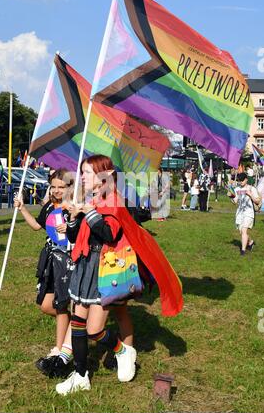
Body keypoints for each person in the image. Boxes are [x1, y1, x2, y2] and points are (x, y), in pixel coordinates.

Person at [55, 154, 183, 395]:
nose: (82, 176)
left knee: (95, 330)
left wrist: (88, 212)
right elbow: (74, 238)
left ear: (103, 176)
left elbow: (109, 234)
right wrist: (73, 218)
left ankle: (123, 351)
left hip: (104, 267)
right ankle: (81, 375)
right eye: (82, 172)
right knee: (78, 323)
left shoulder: (113, 200)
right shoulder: (88, 198)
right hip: (84, 264)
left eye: (87, 173)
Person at [14, 169, 75, 375]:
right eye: (54, 186)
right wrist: (22, 209)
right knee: (47, 306)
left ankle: (59, 350)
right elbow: (36, 227)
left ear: (70, 187)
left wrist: (70, 226)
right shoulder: (49, 206)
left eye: (62, 187)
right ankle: (73, 329)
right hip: (51, 260)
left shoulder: (74, 208)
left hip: (69, 262)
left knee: (59, 306)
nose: (57, 190)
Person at [228, 172, 261, 256]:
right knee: (241, 232)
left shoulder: (251, 188)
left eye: (242, 180)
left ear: (246, 179)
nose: (241, 182)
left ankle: (243, 251)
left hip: (249, 212)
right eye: (239, 180)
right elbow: (235, 202)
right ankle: (250, 242)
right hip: (240, 213)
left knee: (244, 230)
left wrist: (250, 195)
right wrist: (231, 196)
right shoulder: (237, 189)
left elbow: (257, 201)